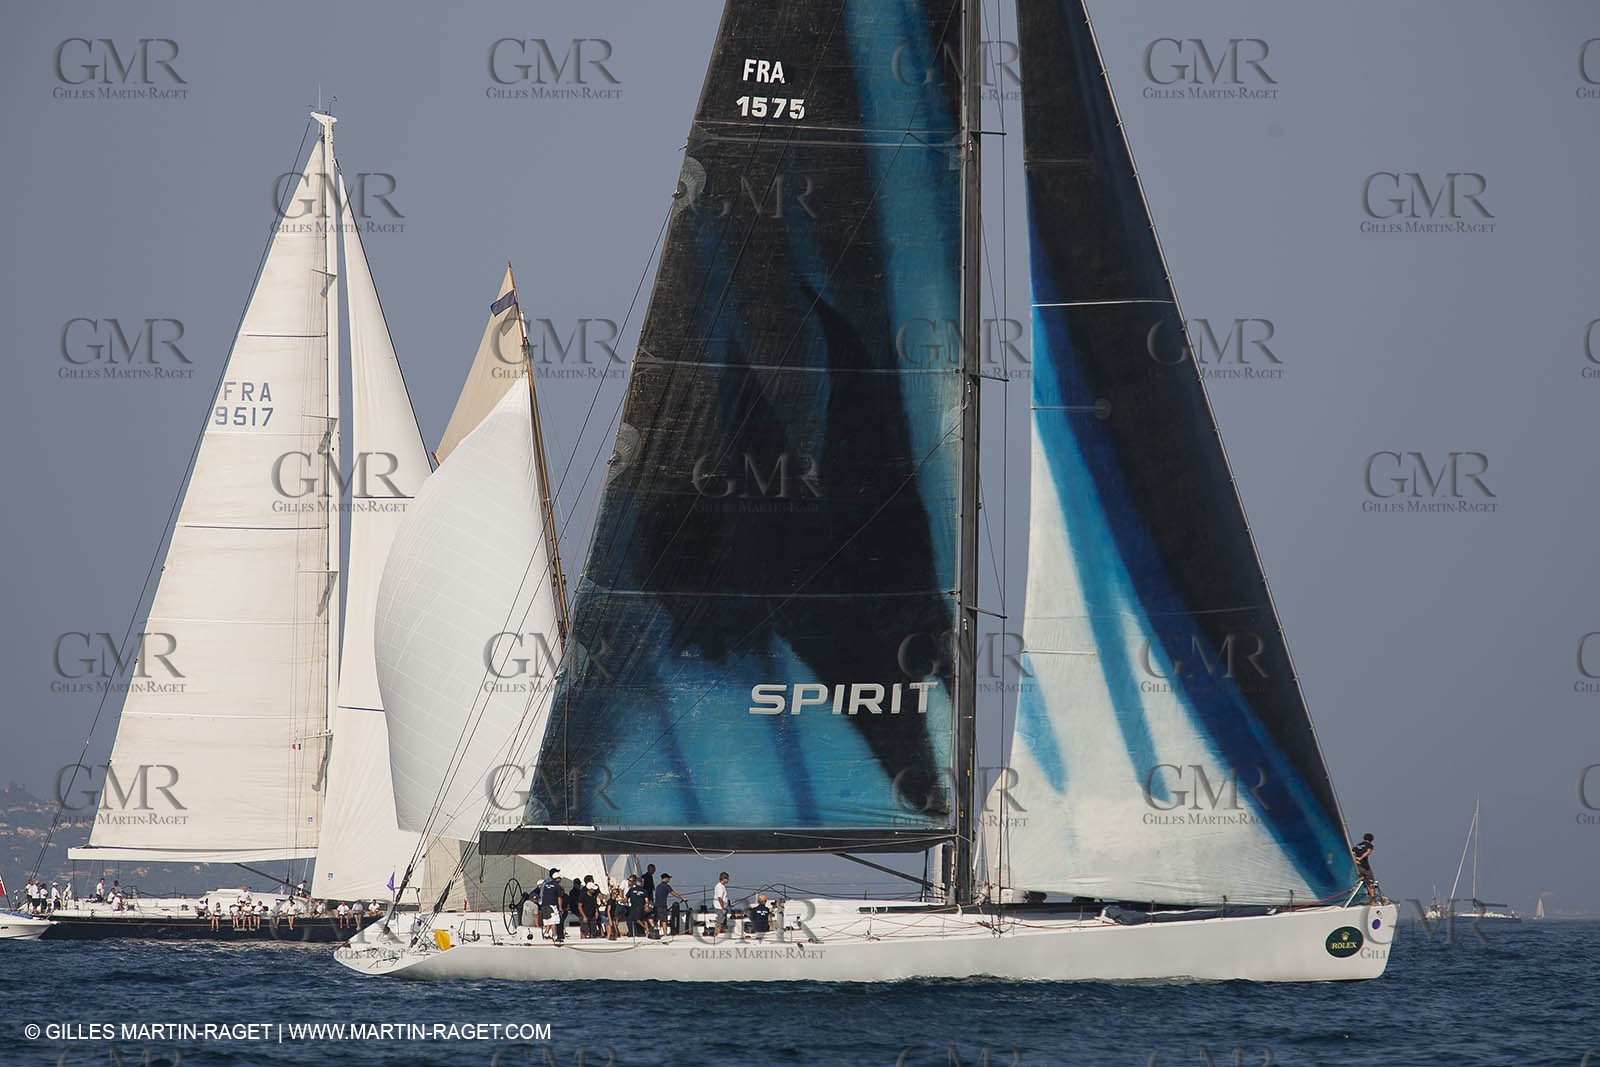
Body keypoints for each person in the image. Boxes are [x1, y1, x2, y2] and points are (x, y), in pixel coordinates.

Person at [654, 873, 685, 938]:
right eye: (668, 878)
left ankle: (655, 933)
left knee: (656, 920)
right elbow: (673, 893)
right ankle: (665, 934)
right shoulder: (666, 886)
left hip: (656, 905)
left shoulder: (658, 886)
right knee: (664, 920)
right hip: (662, 905)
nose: (669, 880)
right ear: (665, 878)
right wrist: (682, 898)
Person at [1352, 833, 1380, 899]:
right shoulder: (1369, 845)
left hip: (1357, 867)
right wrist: (1360, 858)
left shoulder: (1357, 845)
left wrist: (1355, 860)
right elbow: (1368, 852)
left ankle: (1363, 897)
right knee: (1371, 883)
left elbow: (1352, 853)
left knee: (1360, 882)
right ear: (1371, 839)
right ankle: (1372, 901)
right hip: (1365, 867)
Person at [713, 871, 731, 936]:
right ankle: (717, 935)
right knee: (720, 922)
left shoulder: (721, 886)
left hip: (722, 907)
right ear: (724, 879)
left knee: (723, 922)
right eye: (727, 879)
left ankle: (721, 935)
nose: (728, 880)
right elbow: (720, 898)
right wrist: (723, 908)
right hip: (719, 907)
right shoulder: (720, 887)